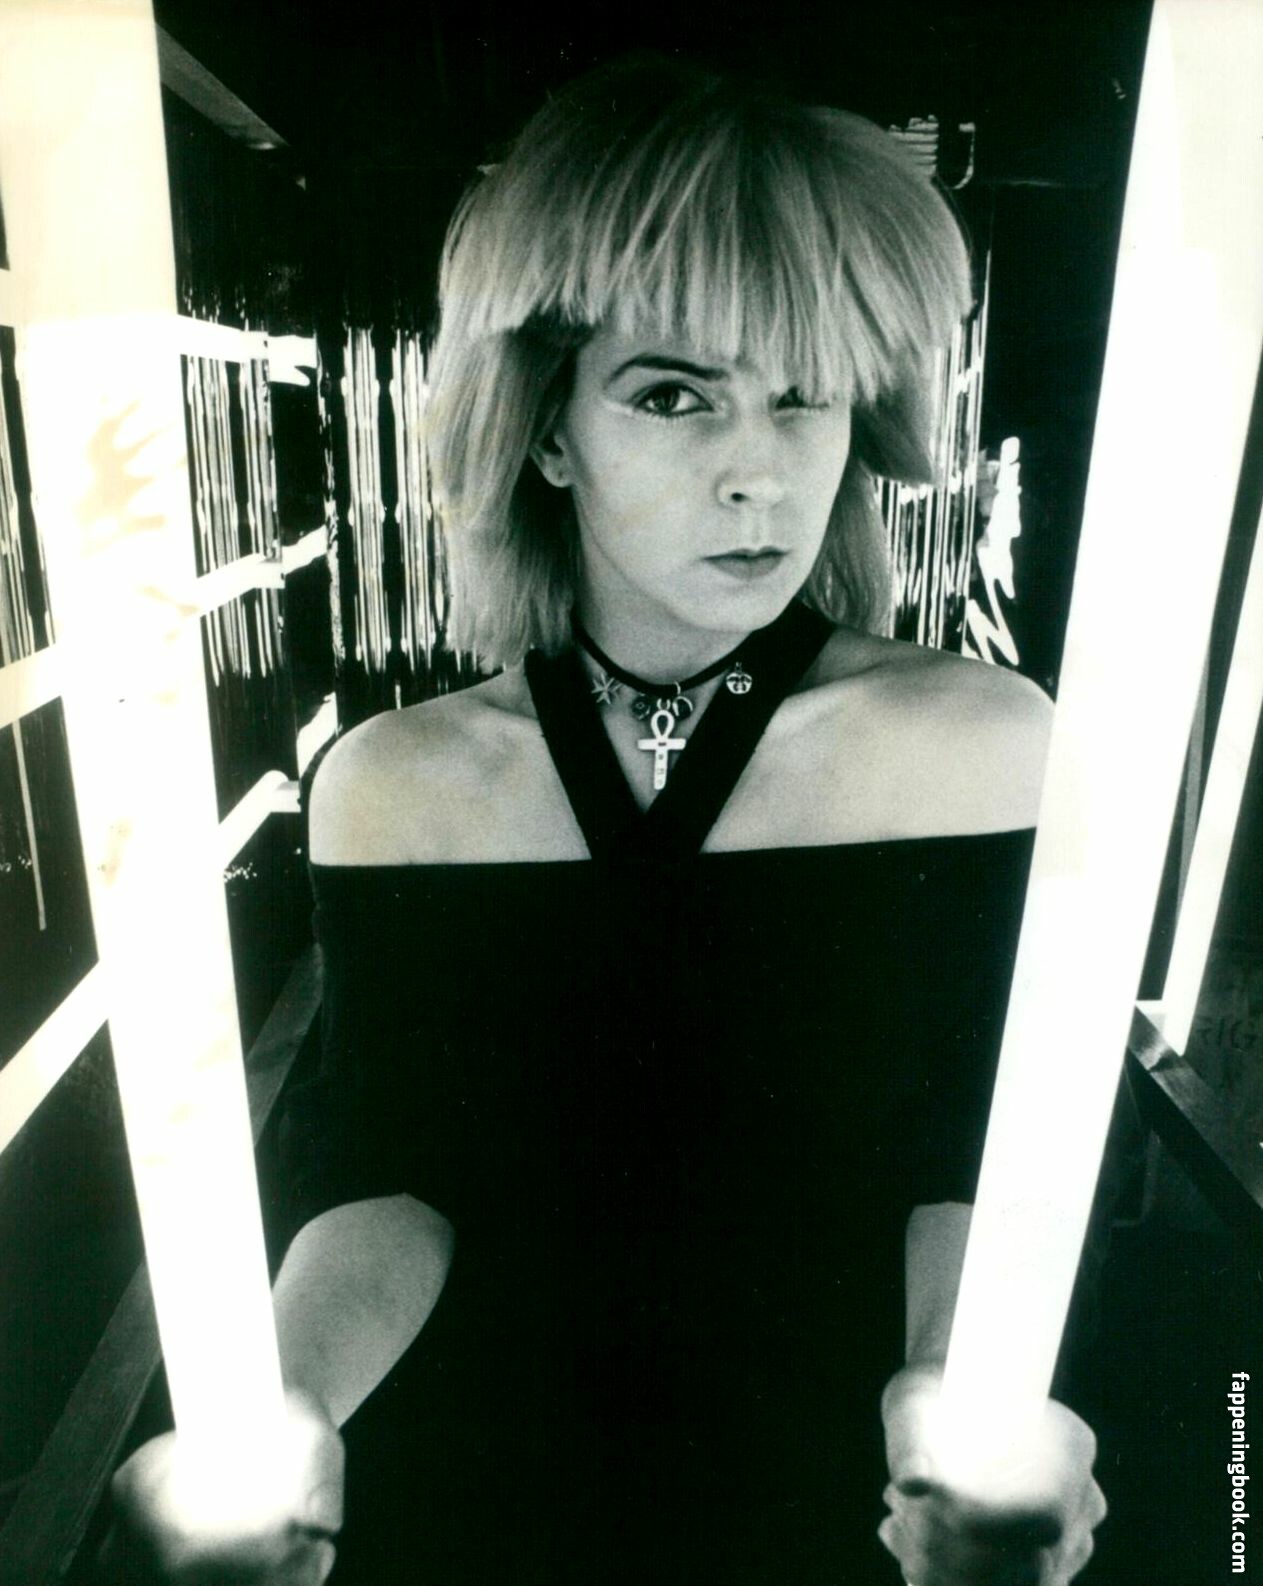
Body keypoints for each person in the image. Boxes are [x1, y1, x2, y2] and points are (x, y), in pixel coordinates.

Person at [111, 57, 1107, 1586]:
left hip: (852, 1506)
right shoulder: (394, 783)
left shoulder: (980, 745)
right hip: (480, 1502)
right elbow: (392, 1184)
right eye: (672, 394)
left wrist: (962, 1408)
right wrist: (278, 1411)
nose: (757, 471)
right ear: (550, 429)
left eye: (802, 395)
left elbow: (966, 1163)